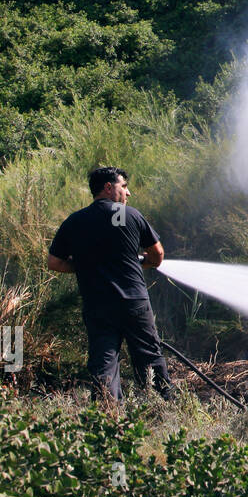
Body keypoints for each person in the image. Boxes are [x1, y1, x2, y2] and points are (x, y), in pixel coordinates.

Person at [47, 166, 173, 404]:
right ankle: (164, 408)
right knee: (149, 356)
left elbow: (54, 262)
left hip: (97, 306)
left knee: (103, 361)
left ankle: (107, 416)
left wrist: (83, 265)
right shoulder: (131, 215)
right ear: (108, 187)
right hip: (133, 302)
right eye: (124, 186)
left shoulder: (75, 221)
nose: (128, 193)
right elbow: (157, 256)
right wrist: (141, 263)